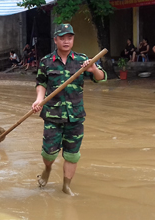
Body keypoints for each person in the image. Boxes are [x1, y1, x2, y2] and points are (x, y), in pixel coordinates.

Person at [32, 24, 106, 196]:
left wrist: (93, 68)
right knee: (49, 153)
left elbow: (101, 78)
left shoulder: (82, 60)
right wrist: (39, 100)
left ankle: (66, 186)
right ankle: (47, 169)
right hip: (52, 115)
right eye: (62, 38)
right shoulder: (46, 61)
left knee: (72, 154)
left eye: (69, 38)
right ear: (55, 40)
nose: (66, 41)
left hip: (76, 116)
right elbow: (41, 83)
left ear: (73, 39)